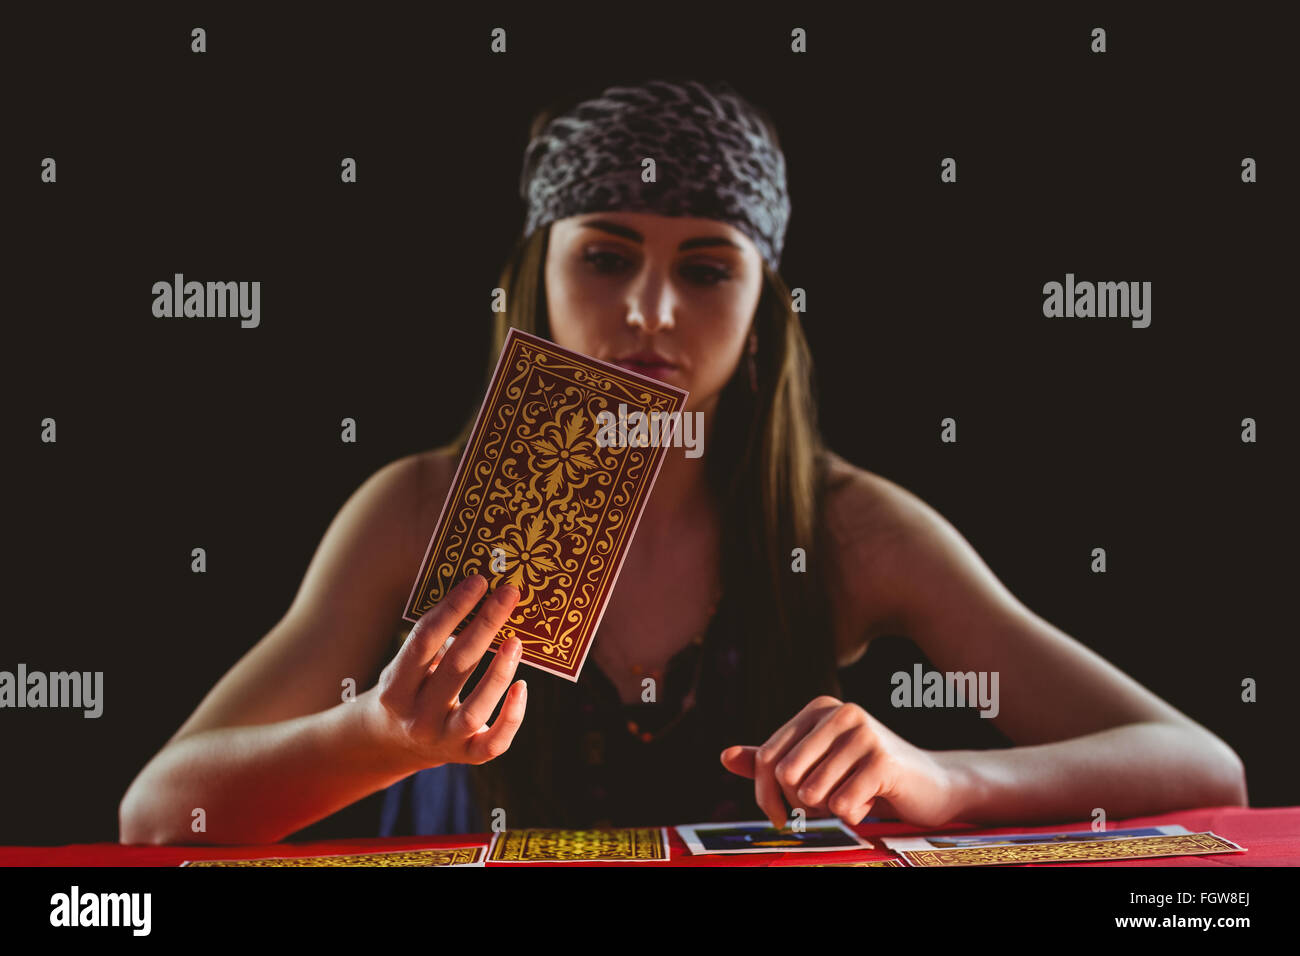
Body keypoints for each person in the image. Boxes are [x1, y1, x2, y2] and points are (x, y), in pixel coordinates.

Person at [119, 78, 1247, 846]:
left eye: (705, 270)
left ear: (761, 317)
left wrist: (935, 778)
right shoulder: (416, 509)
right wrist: (371, 735)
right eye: (606, 256)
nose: (649, 311)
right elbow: (157, 809)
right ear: (538, 278)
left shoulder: (848, 526)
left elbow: (1202, 771)